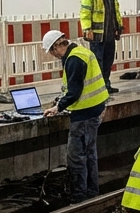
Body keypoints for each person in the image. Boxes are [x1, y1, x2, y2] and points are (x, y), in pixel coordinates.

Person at [42, 29, 110, 203]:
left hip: (84, 114)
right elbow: (77, 86)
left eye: (52, 52)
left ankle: (79, 197)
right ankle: (92, 193)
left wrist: (58, 107)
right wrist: (60, 100)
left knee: (77, 157)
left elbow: (74, 92)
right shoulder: (82, 52)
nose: (54, 56)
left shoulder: (74, 59)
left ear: (57, 46)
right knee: (90, 154)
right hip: (95, 109)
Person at [81, 0, 123, 93]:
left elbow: (115, 10)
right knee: (98, 62)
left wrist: (118, 26)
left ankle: (106, 85)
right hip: (97, 36)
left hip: (109, 34)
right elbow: (85, 13)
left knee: (108, 61)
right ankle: (98, 88)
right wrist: (87, 29)